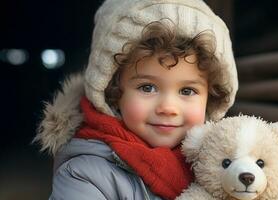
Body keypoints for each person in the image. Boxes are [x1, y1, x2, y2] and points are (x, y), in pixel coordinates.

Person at [34, 0, 238, 199]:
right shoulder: (85, 174)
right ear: (113, 92)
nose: (168, 108)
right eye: (147, 87)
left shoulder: (224, 167)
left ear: (210, 99)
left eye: (187, 91)